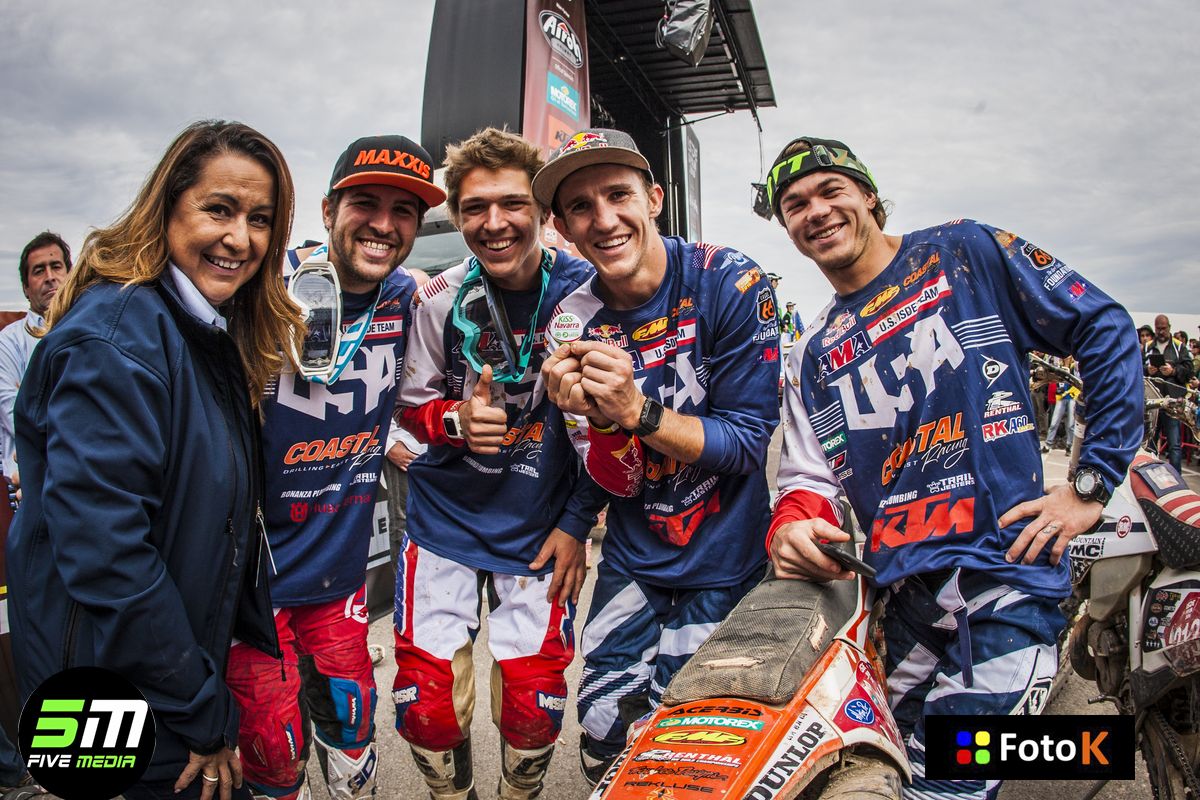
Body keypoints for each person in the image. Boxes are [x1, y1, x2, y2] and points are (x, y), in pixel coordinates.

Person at [759, 136, 1142, 799]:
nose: (815, 211)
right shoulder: (814, 350)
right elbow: (809, 476)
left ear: (868, 196)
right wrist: (792, 525)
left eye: (831, 191)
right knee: (879, 771)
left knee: (949, 786)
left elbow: (1103, 326)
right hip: (904, 599)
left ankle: (1098, 749)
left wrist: (1090, 483)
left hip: (1007, 576)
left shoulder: (963, 250)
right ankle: (1087, 753)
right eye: (795, 204)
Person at [6, 120, 301, 800]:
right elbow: (107, 557)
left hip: (156, 680)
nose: (241, 238)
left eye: (260, 219)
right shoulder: (120, 338)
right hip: (110, 701)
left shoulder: (189, 326)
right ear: (168, 207)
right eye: (219, 209)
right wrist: (203, 712)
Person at [533, 128, 780, 782]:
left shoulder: (731, 280)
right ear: (562, 226)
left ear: (655, 199)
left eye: (618, 195)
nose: (604, 219)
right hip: (635, 555)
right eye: (581, 207)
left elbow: (749, 443)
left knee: (693, 739)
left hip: (726, 555)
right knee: (603, 724)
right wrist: (576, 501)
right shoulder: (565, 322)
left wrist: (636, 413)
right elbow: (606, 467)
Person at [225, 135, 442, 800]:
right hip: (248, 585)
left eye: (403, 210)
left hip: (337, 573)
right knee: (271, 747)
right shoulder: (258, 293)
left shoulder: (410, 298)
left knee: (351, 733)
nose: (383, 224)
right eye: (365, 203)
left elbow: (473, 297)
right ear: (326, 210)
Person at [391, 127, 604, 800]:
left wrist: (576, 522)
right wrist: (451, 421)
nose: (494, 222)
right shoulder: (437, 299)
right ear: (456, 217)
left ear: (541, 209)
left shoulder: (591, 295)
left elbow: (606, 432)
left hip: (537, 530)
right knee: (423, 707)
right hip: (442, 522)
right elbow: (406, 409)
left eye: (512, 203)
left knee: (533, 703)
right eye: (475, 207)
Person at [0, 232, 72, 477]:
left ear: (70, 275)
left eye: (56, 266)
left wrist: (32, 400)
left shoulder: (94, 332)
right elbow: (14, 416)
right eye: (39, 270)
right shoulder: (8, 342)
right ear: (26, 288)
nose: (50, 277)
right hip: (28, 484)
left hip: (83, 480)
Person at [1144, 313, 1192, 472]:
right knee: (1149, 442)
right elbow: (1135, 368)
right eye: (1158, 329)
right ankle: (1149, 474)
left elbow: (1189, 370)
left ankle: (1176, 477)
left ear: (1169, 327)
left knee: (1174, 445)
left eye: (1164, 329)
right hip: (1152, 404)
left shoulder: (1179, 347)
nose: (1161, 332)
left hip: (1172, 403)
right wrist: (1148, 370)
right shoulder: (1146, 347)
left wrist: (1173, 371)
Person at [1040, 357, 1079, 453]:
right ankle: (1048, 444)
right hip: (1060, 398)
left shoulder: (1074, 366)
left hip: (1071, 397)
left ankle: (1069, 446)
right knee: (1054, 422)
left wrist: (1067, 393)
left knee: (1070, 424)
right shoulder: (1059, 365)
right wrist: (1057, 387)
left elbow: (1078, 382)